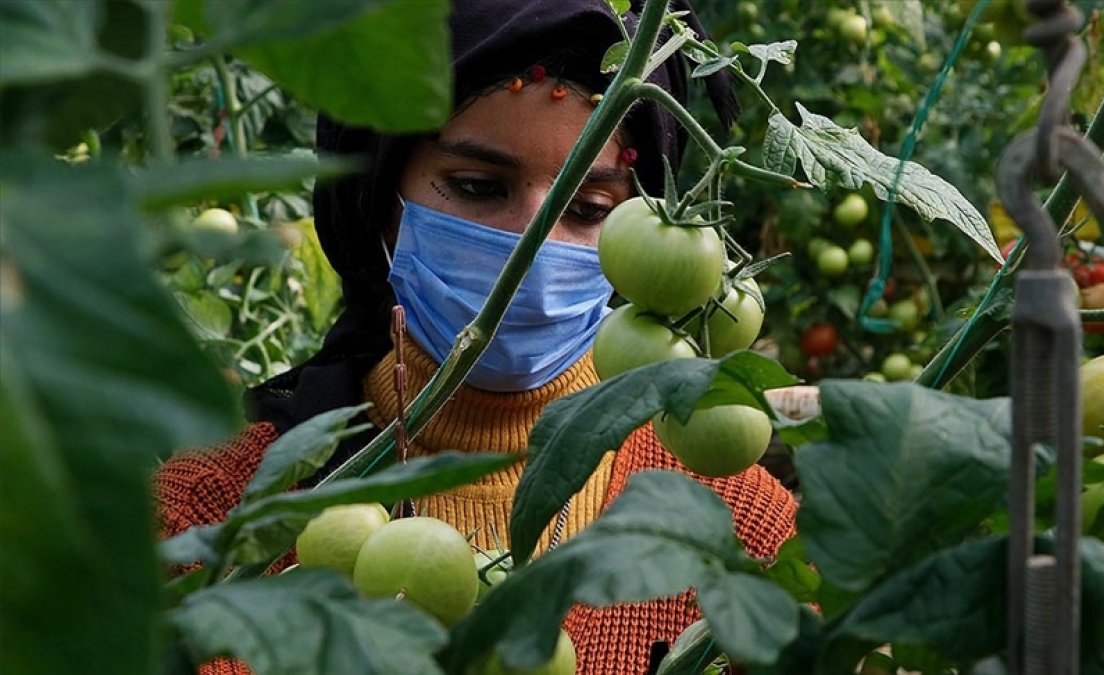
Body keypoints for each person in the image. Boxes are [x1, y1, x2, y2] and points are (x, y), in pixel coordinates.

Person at [155, 1, 797, 673]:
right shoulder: (205, 523)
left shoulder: (745, 539)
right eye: (476, 186)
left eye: (588, 208)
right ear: (375, 198)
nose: (533, 242)